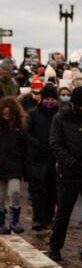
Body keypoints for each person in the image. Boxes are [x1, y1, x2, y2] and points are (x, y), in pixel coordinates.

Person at [48, 87, 82, 261]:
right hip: (68, 173)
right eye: (78, 106)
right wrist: (71, 162)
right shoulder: (60, 118)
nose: (81, 109)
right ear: (71, 104)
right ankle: (55, 247)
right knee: (64, 212)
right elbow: (55, 144)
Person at [26, 85, 60, 231]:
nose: (50, 102)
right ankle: (38, 219)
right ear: (42, 99)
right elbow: (26, 132)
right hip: (37, 159)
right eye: (47, 99)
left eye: (53, 99)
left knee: (52, 191)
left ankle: (48, 218)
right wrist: (35, 144)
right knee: (38, 191)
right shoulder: (33, 114)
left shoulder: (60, 114)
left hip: (54, 159)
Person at [0, 96, 30, 234]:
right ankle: (1, 221)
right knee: (0, 197)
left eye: (9, 114)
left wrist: (27, 171)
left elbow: (25, 151)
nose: (6, 117)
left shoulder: (20, 129)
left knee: (15, 192)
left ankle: (14, 220)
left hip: (14, 166)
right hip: (1, 167)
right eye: (4, 114)